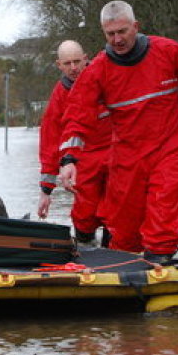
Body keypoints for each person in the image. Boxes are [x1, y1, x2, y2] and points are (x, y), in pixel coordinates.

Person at [58, 1, 178, 265]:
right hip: (127, 156)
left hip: (169, 148)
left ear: (136, 26)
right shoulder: (98, 70)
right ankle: (123, 262)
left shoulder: (167, 51)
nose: (117, 39)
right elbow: (76, 117)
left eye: (122, 31)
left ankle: (160, 256)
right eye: (110, 34)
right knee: (124, 226)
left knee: (164, 208)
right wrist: (69, 160)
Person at [37, 40, 112, 245]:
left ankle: (115, 253)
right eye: (67, 63)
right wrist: (46, 190)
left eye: (77, 61)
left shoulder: (107, 80)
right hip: (83, 162)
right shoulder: (59, 98)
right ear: (59, 65)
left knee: (116, 213)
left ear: (86, 59)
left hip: (116, 156)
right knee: (84, 216)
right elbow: (50, 144)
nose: (73, 68)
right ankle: (87, 250)